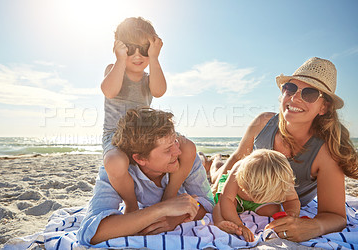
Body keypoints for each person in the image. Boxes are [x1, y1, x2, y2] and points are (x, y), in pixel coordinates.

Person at [207, 57, 358, 242]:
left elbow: (336, 216)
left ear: (324, 107)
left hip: (271, 202)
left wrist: (313, 226)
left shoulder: (325, 152)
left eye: (309, 93)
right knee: (216, 176)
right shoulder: (263, 123)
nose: (294, 97)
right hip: (239, 183)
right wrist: (217, 185)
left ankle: (212, 162)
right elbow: (239, 157)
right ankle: (214, 162)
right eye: (290, 89)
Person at [77, 108, 215, 245]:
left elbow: (207, 201)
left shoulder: (184, 157)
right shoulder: (117, 172)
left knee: (209, 165)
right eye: (168, 150)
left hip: (198, 165)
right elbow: (90, 233)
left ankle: (213, 160)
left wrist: (179, 217)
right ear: (140, 159)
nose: (177, 151)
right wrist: (162, 209)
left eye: (175, 141)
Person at [101, 17, 196, 214]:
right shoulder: (113, 69)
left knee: (187, 147)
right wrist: (120, 60)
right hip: (116, 136)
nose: (137, 55)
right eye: (130, 49)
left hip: (145, 133)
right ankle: (131, 203)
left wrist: (154, 58)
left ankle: (170, 194)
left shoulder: (149, 78)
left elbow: (159, 90)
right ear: (119, 48)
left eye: (144, 49)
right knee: (114, 162)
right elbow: (109, 91)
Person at [213, 149, 300, 242]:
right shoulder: (238, 170)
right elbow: (226, 199)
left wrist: (292, 212)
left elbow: (292, 200)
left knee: (273, 210)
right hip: (235, 197)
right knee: (221, 205)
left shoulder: (283, 180)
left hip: (258, 200)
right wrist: (239, 224)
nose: (254, 199)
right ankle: (215, 161)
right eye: (250, 193)